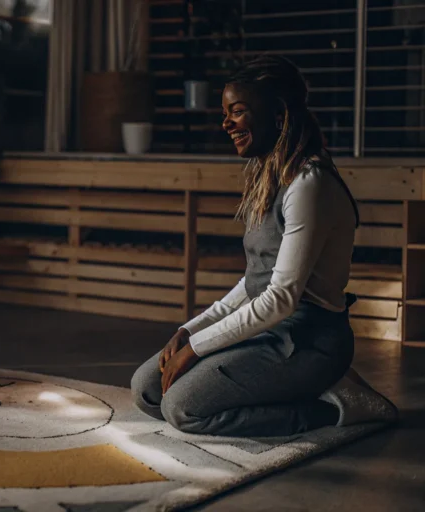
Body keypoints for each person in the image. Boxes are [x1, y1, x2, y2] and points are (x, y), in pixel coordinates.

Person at [130, 55, 398, 437]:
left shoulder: (309, 184)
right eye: (226, 112)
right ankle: (283, 390)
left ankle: (332, 406)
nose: (226, 123)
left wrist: (197, 350)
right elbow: (252, 282)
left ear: (278, 114)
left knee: (183, 408)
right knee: (147, 390)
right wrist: (189, 331)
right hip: (267, 333)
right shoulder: (269, 176)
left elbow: (281, 299)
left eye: (237, 112)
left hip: (307, 343)